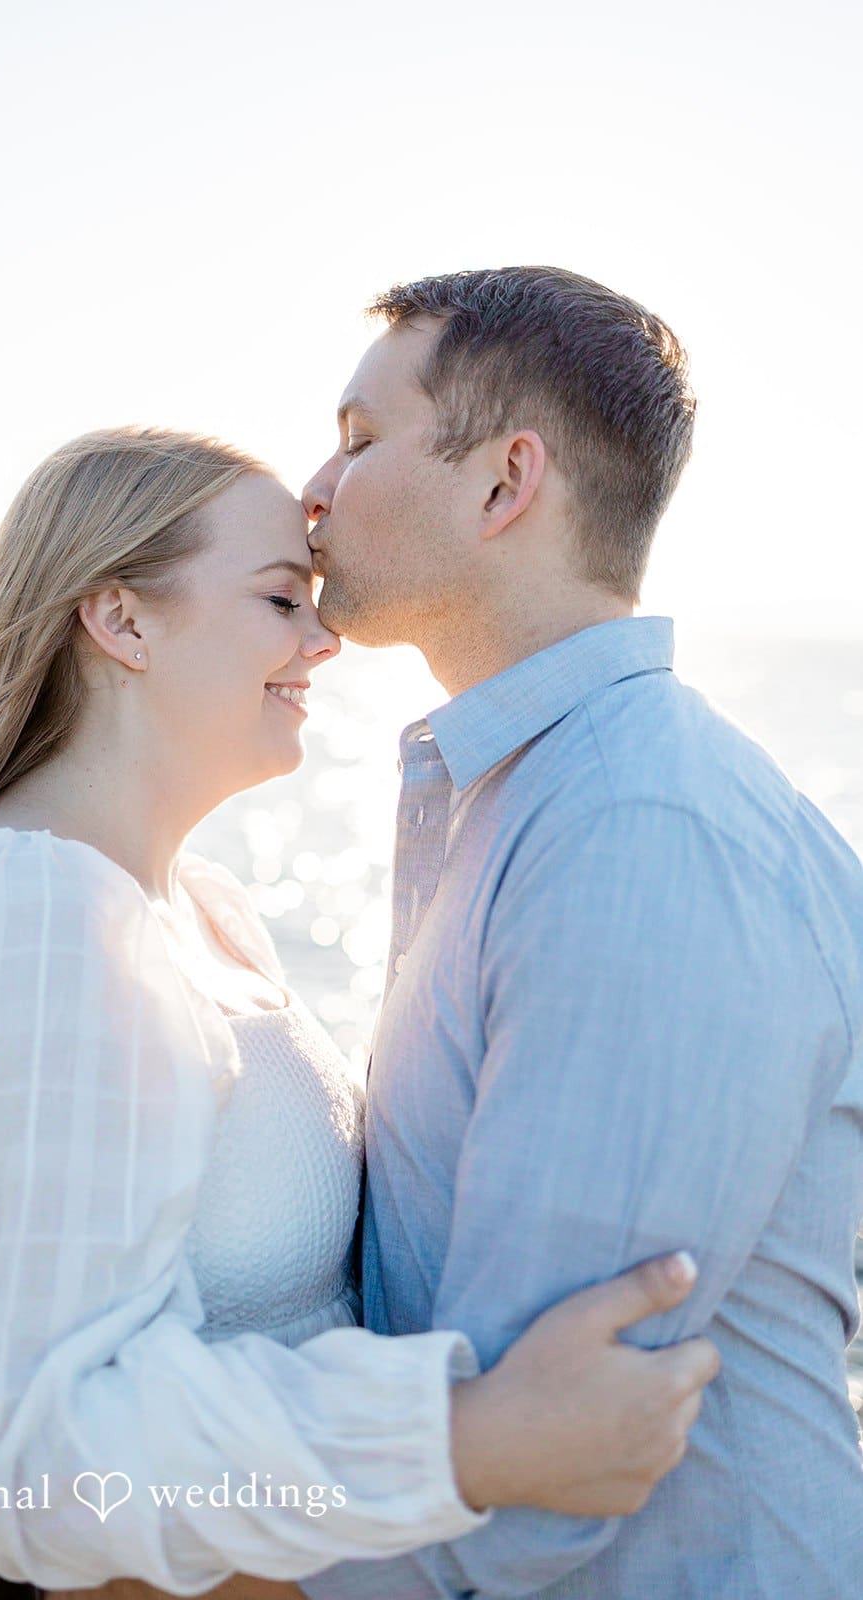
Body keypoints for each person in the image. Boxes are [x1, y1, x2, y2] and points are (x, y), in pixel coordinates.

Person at [0, 425, 718, 1600]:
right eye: (282, 599)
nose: (326, 639)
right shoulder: (19, 915)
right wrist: (467, 1438)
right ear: (120, 620)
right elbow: (17, 1460)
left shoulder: (206, 915)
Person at [289, 266, 863, 1598]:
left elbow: (524, 1483)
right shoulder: (537, 795)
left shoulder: (635, 830)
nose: (310, 491)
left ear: (503, 485)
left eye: (360, 439)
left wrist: (121, 1553)